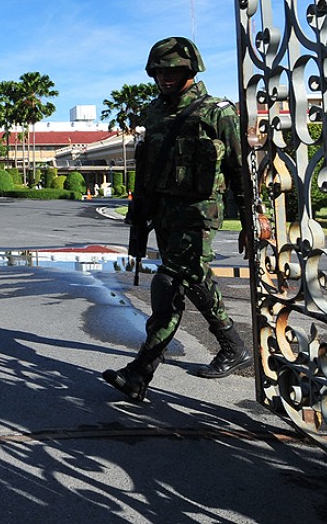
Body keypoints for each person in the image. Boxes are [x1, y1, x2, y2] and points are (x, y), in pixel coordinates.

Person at [103, 36, 253, 402]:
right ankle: (233, 346)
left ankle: (140, 373)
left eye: (174, 71)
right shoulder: (154, 114)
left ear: (190, 70)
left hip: (200, 214)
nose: (165, 77)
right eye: (159, 71)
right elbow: (147, 170)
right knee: (193, 279)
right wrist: (139, 212)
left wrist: (250, 221)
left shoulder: (218, 111)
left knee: (170, 284)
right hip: (165, 215)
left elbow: (239, 170)